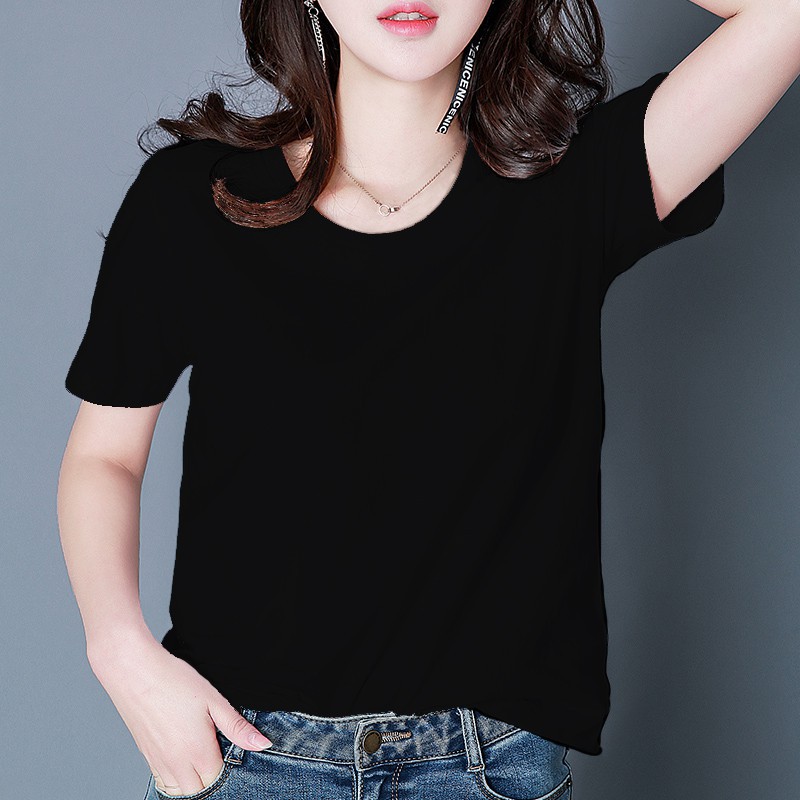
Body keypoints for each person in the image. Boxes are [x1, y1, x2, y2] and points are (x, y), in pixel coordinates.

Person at [57, 0, 798, 798]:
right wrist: (119, 650)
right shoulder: (195, 197)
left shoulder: (577, 183)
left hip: (490, 770)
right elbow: (105, 455)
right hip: (247, 759)